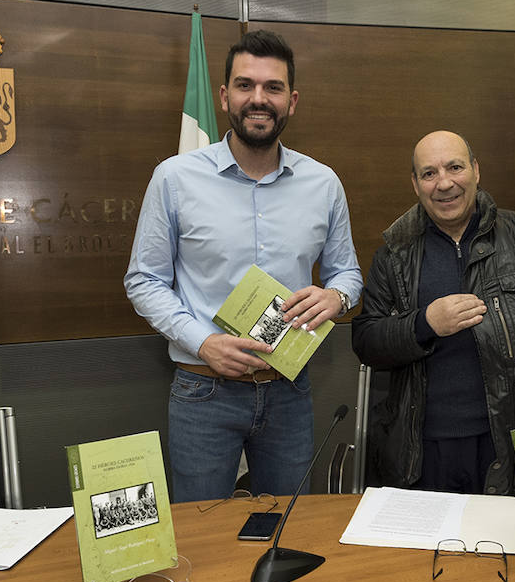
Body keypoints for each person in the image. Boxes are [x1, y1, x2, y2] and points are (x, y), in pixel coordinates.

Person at [124, 30, 362, 503]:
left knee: (285, 530)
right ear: (224, 95)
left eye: (273, 87)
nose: (259, 98)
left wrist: (335, 297)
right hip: (203, 391)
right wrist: (203, 342)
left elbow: (348, 274)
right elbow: (144, 280)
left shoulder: (324, 183)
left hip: (289, 391)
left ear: (291, 100)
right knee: (202, 537)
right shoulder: (174, 178)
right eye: (245, 85)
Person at [351, 130, 515, 496]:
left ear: (476, 170)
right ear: (415, 185)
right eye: (429, 173)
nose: (444, 183)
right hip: (428, 452)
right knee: (434, 553)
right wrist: (423, 324)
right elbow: (366, 341)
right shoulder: (394, 255)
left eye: (455, 167)